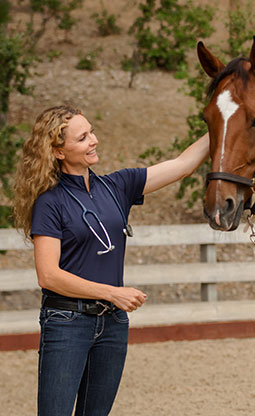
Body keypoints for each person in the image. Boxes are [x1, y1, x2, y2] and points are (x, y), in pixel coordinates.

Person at [11, 105, 210, 415]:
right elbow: (48, 276)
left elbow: (183, 165)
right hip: (67, 323)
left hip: (113, 324)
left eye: (91, 132)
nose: (94, 140)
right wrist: (112, 292)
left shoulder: (117, 186)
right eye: (83, 138)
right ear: (59, 151)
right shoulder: (50, 203)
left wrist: (229, 121)